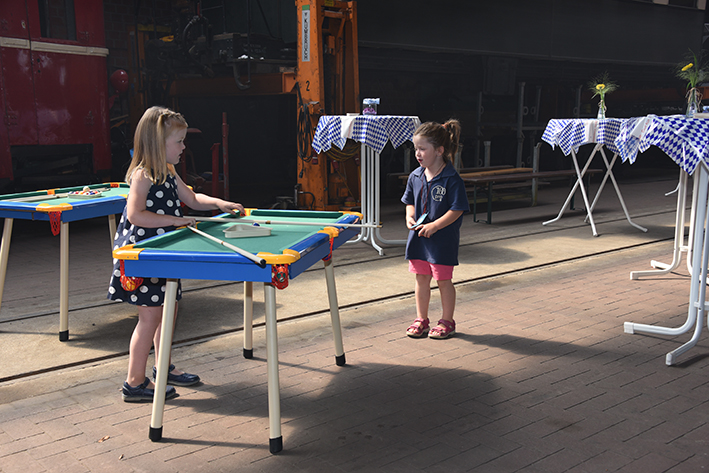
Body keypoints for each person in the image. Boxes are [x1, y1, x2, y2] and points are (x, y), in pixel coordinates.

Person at [108, 106, 244, 402]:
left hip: (166, 254)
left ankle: (162, 367)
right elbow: (135, 215)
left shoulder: (168, 172)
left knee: (169, 311)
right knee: (150, 318)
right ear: (158, 144)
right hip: (144, 257)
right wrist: (174, 220)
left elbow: (192, 198)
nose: (184, 147)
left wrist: (219, 203)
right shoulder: (143, 175)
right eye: (179, 142)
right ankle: (134, 382)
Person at [401, 119, 469, 339]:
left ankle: (447, 321)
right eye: (416, 148)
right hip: (419, 239)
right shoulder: (415, 176)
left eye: (422, 149)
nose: (417, 154)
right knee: (421, 278)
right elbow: (409, 202)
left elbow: (457, 209)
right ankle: (421, 319)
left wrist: (435, 226)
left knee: (443, 281)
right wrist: (409, 216)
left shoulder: (452, 179)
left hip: (442, 241)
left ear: (439, 150)